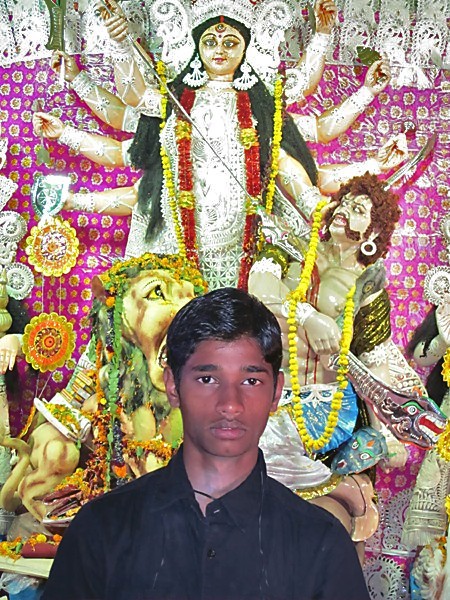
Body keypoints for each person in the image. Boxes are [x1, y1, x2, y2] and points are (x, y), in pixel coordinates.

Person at [32, 0, 398, 291]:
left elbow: (313, 142)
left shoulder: (262, 109)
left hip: (248, 255)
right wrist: (118, 46)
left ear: (245, 48)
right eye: (210, 41)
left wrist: (357, 87)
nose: (219, 49)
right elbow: (127, 122)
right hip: (174, 250)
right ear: (197, 47)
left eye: (230, 42)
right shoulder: (172, 104)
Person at [42, 287, 370, 600]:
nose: (230, 404)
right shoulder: (102, 529)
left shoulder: (320, 544)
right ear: (173, 385)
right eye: (207, 379)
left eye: (251, 380)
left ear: (275, 392)